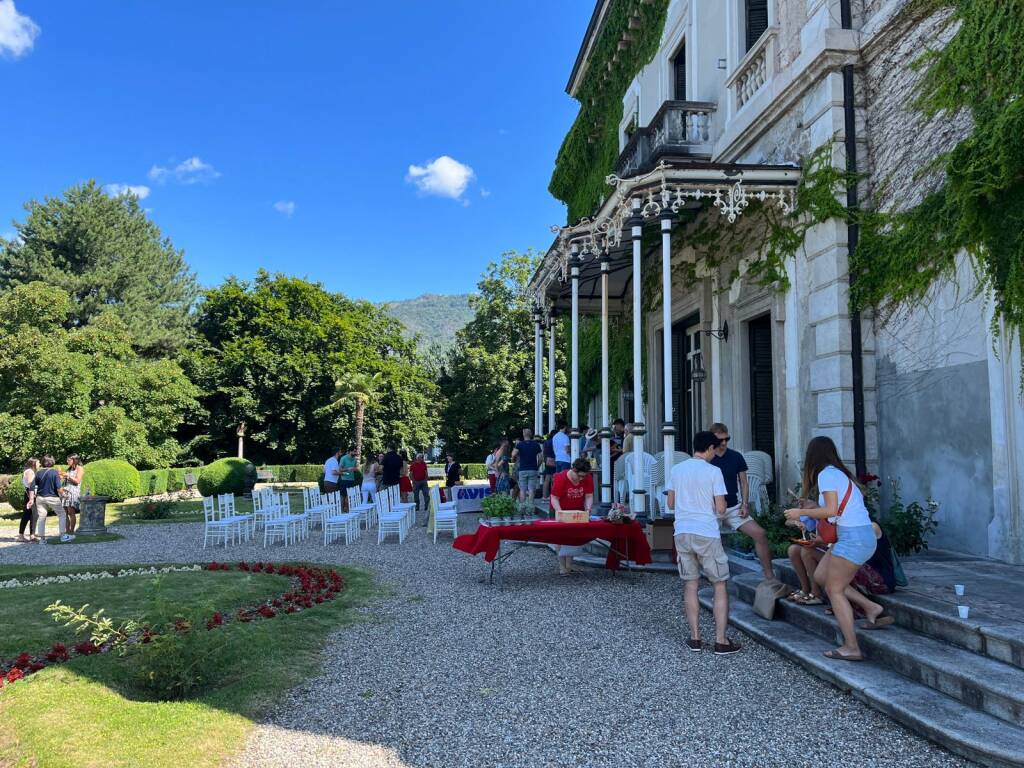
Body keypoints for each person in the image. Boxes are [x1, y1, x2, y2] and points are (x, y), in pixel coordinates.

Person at [784, 436, 893, 662]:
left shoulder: (826, 475)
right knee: (822, 575)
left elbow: (831, 510)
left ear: (812, 458)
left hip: (853, 538)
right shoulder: (838, 474)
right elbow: (836, 509)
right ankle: (871, 608)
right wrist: (814, 507)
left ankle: (852, 646)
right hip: (855, 536)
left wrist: (799, 513)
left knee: (834, 590)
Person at [667, 431, 741, 655]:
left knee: (691, 584)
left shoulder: (676, 470)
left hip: (682, 531)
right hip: (706, 531)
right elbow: (720, 508)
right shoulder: (714, 471)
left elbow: (670, 503)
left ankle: (695, 638)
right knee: (719, 584)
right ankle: (720, 640)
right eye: (715, 449)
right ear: (709, 448)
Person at [709, 423, 774, 581]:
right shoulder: (707, 458)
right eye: (720, 440)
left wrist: (745, 504)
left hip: (732, 507)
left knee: (760, 534)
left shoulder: (736, 456)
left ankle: (770, 576)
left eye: (727, 439)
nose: (724, 443)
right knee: (711, 545)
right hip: (711, 509)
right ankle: (715, 581)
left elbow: (744, 482)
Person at [549, 458, 594, 576]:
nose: (581, 479)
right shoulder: (561, 477)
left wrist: (588, 510)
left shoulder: (587, 478)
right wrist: (560, 512)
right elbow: (554, 498)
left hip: (576, 510)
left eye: (583, 477)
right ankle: (562, 566)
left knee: (572, 537)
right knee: (559, 538)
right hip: (559, 508)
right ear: (573, 470)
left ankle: (569, 565)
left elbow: (589, 496)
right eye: (579, 476)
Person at [34, 455, 72, 543]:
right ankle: (63, 536)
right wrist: (64, 495)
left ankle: (42, 540)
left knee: (42, 517)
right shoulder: (54, 472)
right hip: (52, 497)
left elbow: (35, 486)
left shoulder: (38, 473)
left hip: (40, 498)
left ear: (43, 462)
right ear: (52, 462)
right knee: (62, 514)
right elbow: (58, 487)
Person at [511, 428, 542, 502]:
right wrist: (537, 466)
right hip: (533, 469)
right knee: (531, 489)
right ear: (531, 435)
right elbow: (541, 458)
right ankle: (530, 508)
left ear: (523, 435)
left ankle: (522, 508)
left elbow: (513, 454)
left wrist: (514, 458)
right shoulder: (536, 444)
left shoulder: (520, 444)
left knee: (522, 490)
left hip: (522, 470)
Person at [16, 458, 39, 543]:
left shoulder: (28, 470)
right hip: (30, 494)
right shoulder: (30, 471)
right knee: (33, 515)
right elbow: (30, 483)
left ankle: (22, 535)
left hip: (29, 494)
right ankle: (30, 536)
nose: (39, 464)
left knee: (28, 515)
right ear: (33, 463)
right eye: (38, 462)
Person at [61, 454, 84, 535]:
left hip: (73, 493)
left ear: (74, 460)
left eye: (69, 460)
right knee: (64, 513)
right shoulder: (69, 469)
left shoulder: (80, 468)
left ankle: (71, 531)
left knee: (71, 512)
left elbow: (77, 481)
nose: (67, 461)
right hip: (65, 492)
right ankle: (67, 531)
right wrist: (62, 476)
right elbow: (67, 479)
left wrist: (68, 476)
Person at [410, 453, 430, 519]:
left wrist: (426, 479)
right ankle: (417, 507)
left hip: (423, 481)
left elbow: (425, 471)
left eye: (422, 457)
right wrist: (413, 481)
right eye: (422, 457)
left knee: (426, 493)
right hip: (416, 481)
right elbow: (411, 473)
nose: (423, 459)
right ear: (418, 458)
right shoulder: (413, 464)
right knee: (416, 495)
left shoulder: (424, 464)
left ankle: (426, 506)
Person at [541, 429, 557, 498]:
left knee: (547, 479)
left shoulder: (546, 442)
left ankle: (544, 496)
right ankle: (552, 496)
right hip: (553, 461)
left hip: (547, 461)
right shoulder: (554, 442)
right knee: (554, 479)